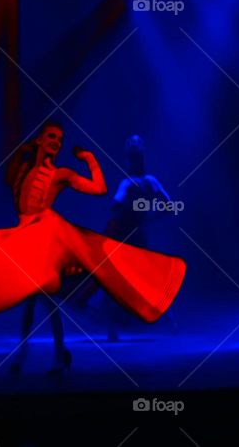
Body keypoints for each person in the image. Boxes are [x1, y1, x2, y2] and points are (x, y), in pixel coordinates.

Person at [0, 123, 186, 373]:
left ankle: (48, 351)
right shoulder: (26, 173)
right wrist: (23, 152)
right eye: (50, 138)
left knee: (49, 293)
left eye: (58, 139)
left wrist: (89, 161)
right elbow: (10, 179)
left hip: (55, 235)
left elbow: (100, 189)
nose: (54, 142)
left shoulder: (69, 176)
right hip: (28, 235)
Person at [75, 135, 176, 341]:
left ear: (130, 161)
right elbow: (170, 206)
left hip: (123, 236)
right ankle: (166, 320)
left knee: (113, 280)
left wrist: (137, 213)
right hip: (136, 235)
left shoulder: (128, 183)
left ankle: (110, 324)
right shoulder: (151, 182)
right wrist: (149, 215)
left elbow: (116, 207)